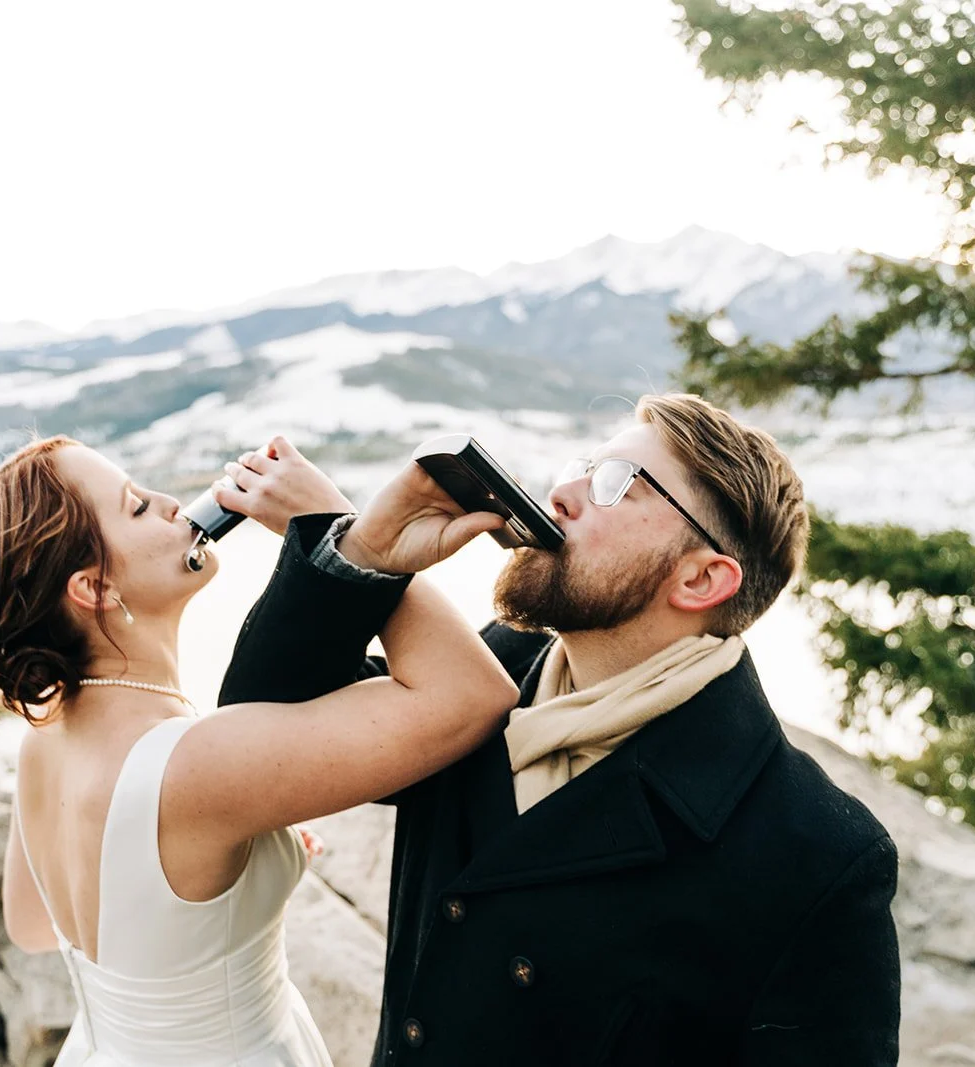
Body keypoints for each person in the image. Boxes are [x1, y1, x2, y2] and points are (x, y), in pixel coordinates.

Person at [215, 394, 901, 1066]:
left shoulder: (817, 851)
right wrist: (366, 550)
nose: (562, 492)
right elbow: (259, 738)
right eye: (582, 464)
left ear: (701, 579)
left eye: (615, 484)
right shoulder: (481, 678)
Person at [0, 435, 520, 1067]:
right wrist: (350, 537)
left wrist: (197, 887)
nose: (168, 502)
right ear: (94, 588)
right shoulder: (192, 765)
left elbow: (31, 924)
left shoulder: (45, 740)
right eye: (135, 506)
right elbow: (472, 695)